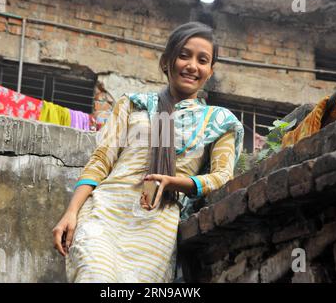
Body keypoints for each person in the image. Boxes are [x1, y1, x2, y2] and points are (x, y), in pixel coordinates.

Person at [52, 22, 244, 282]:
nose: (192, 66)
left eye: (202, 60)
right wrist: (71, 211)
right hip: (104, 213)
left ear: (210, 71)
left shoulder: (219, 121)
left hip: (156, 226)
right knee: (94, 275)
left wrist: (174, 182)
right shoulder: (133, 104)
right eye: (184, 55)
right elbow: (100, 161)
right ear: (167, 61)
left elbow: (222, 177)